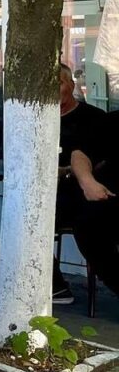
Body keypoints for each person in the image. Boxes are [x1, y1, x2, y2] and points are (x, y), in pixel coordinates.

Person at [54, 63, 108, 304]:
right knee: (22, 216)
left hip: (82, 193)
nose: (53, 91)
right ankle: (55, 286)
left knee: (88, 225)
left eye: (58, 83)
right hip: (47, 194)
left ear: (71, 84)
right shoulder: (36, 121)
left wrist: (67, 171)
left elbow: (101, 161)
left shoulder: (94, 118)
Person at [62, 89, 118, 303]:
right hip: (110, 198)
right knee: (88, 225)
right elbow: (80, 154)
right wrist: (88, 182)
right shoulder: (112, 121)